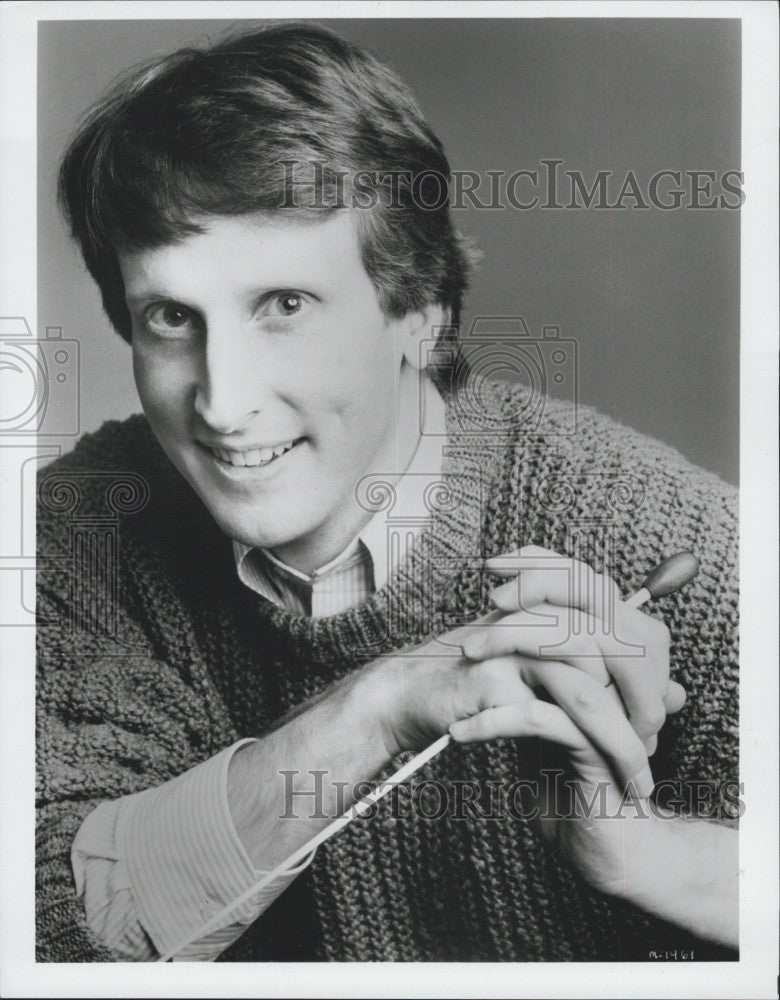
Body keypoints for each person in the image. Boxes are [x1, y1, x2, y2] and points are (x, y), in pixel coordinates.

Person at [36, 21, 739, 963]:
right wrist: (379, 707)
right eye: (170, 318)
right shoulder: (75, 538)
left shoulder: (694, 545)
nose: (224, 401)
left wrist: (642, 857)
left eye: (284, 306)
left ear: (420, 312)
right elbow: (50, 927)